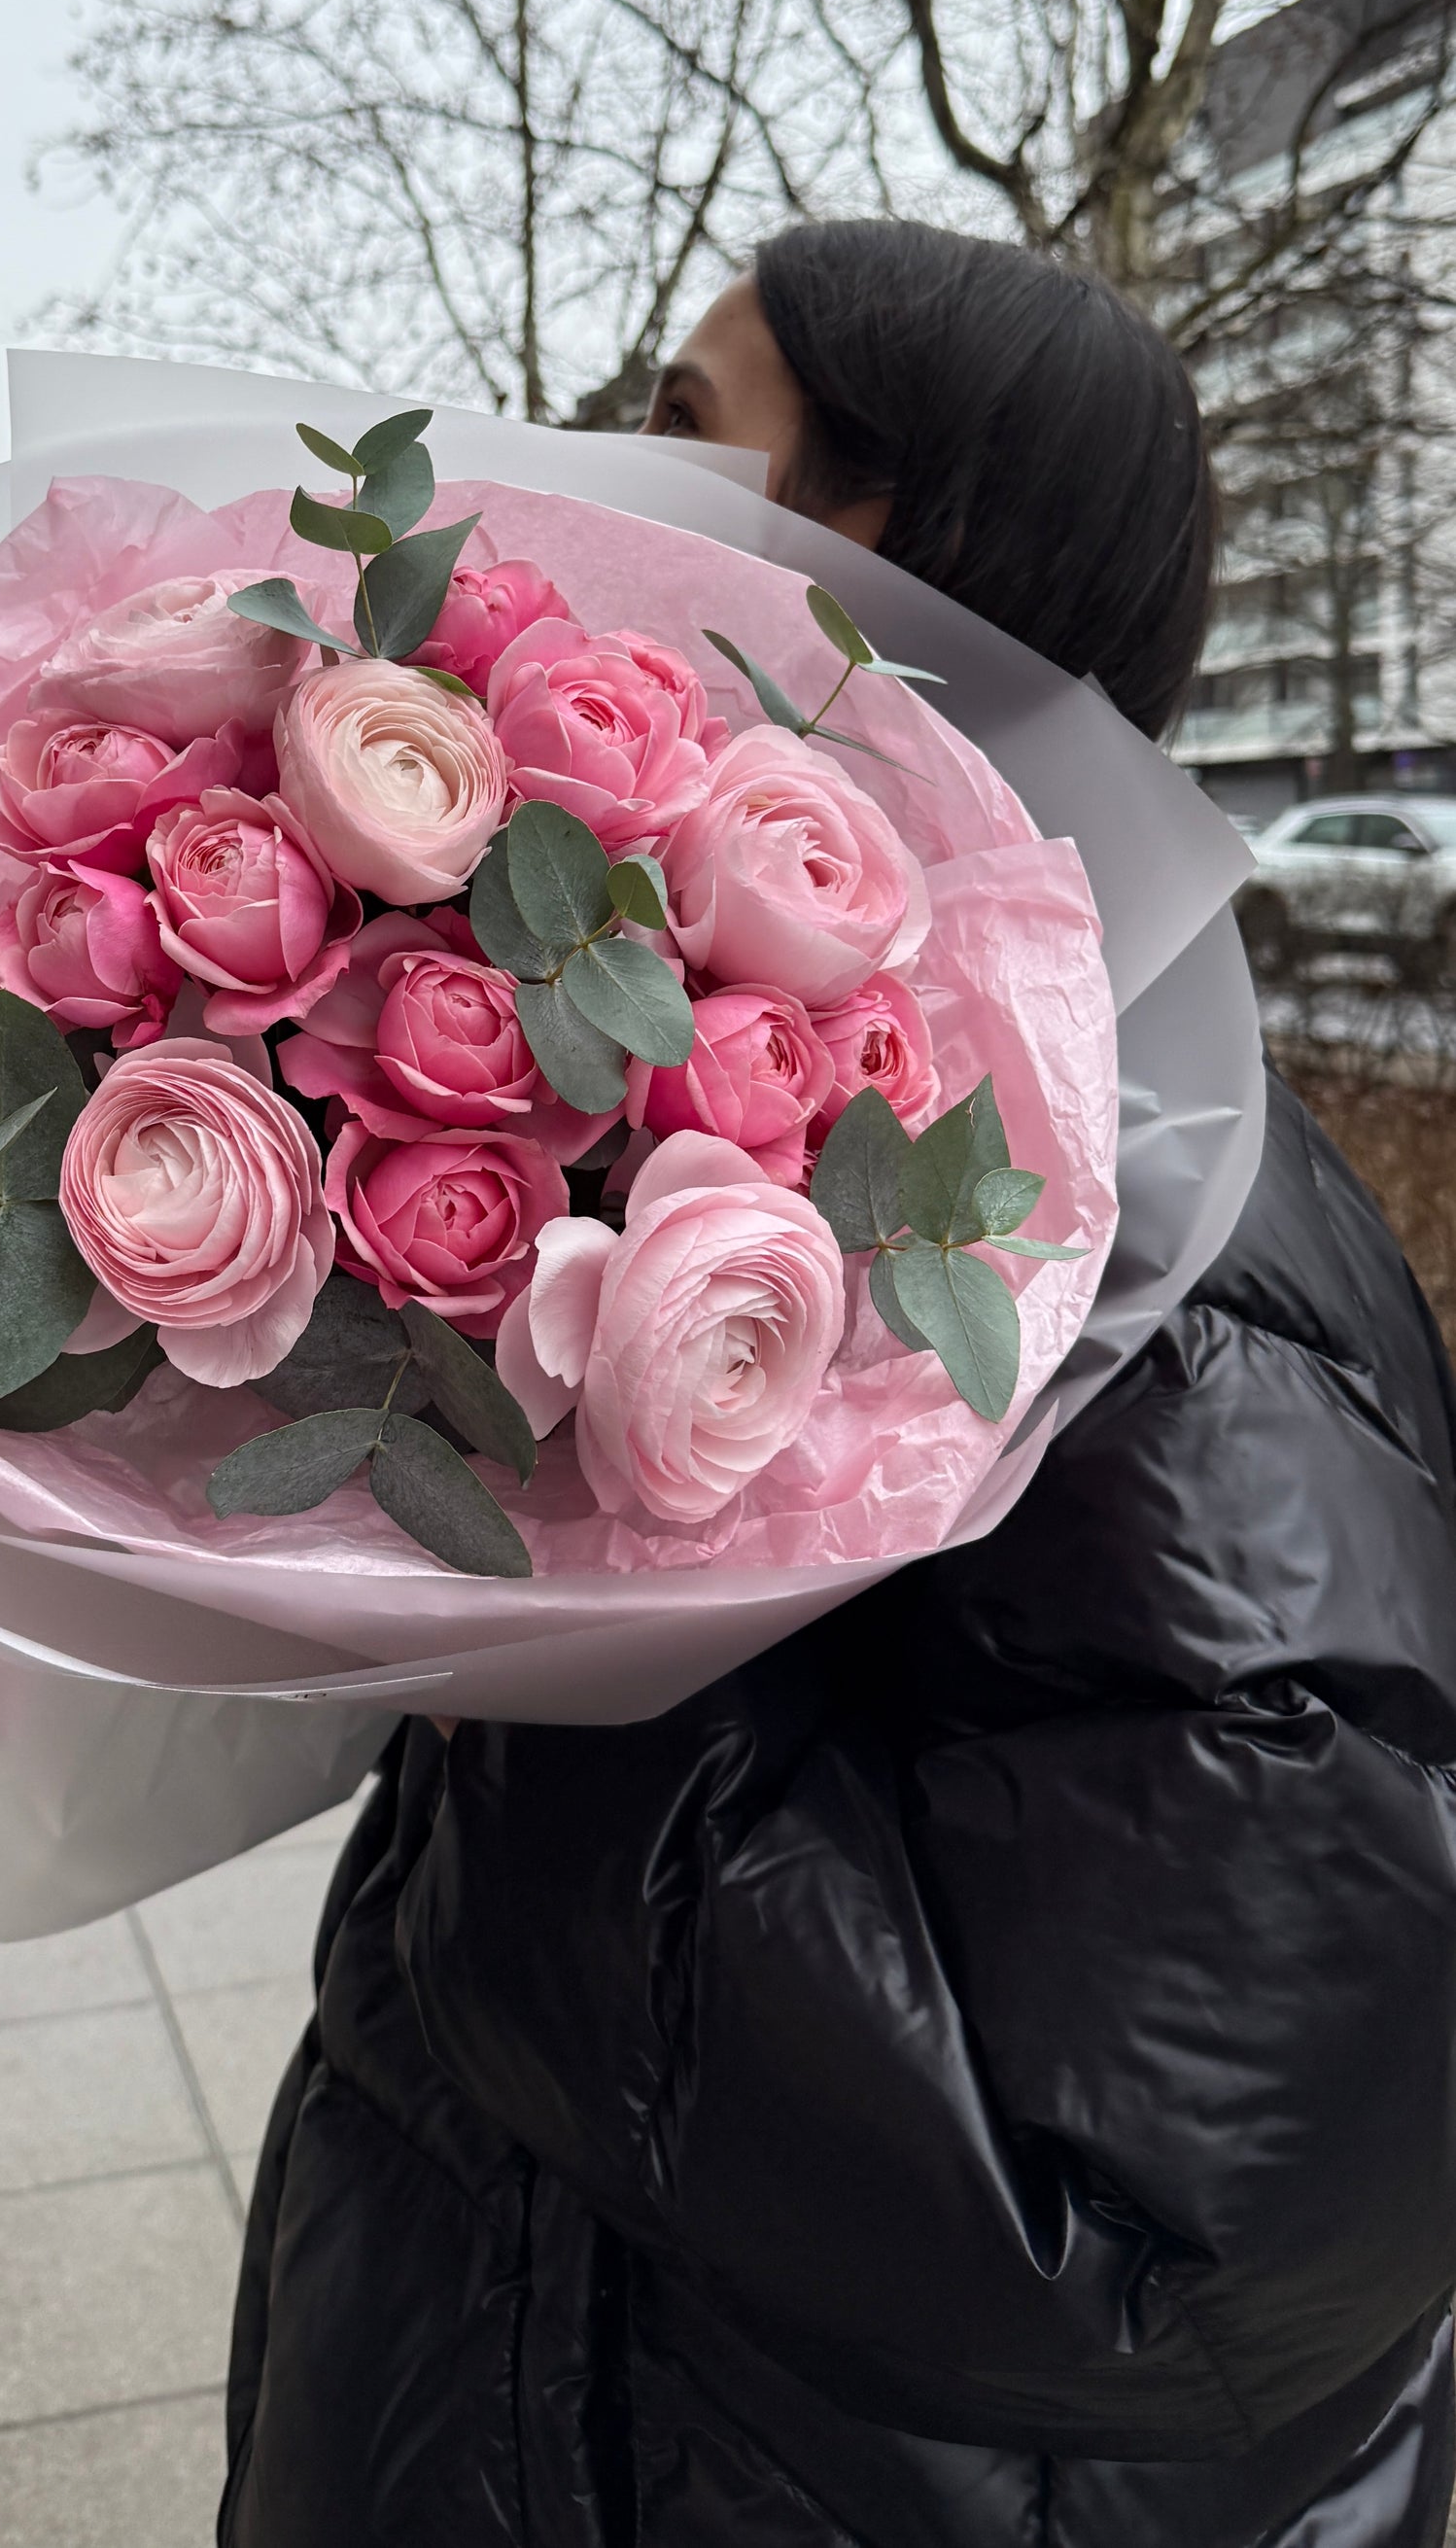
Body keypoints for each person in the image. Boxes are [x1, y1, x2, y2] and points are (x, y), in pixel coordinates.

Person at [219, 222, 1456, 2548]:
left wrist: (534, 1695)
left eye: (683, 423)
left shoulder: (1160, 1275)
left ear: (904, 556)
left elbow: (1181, 2240)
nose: (596, 471)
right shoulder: (712, 1104)